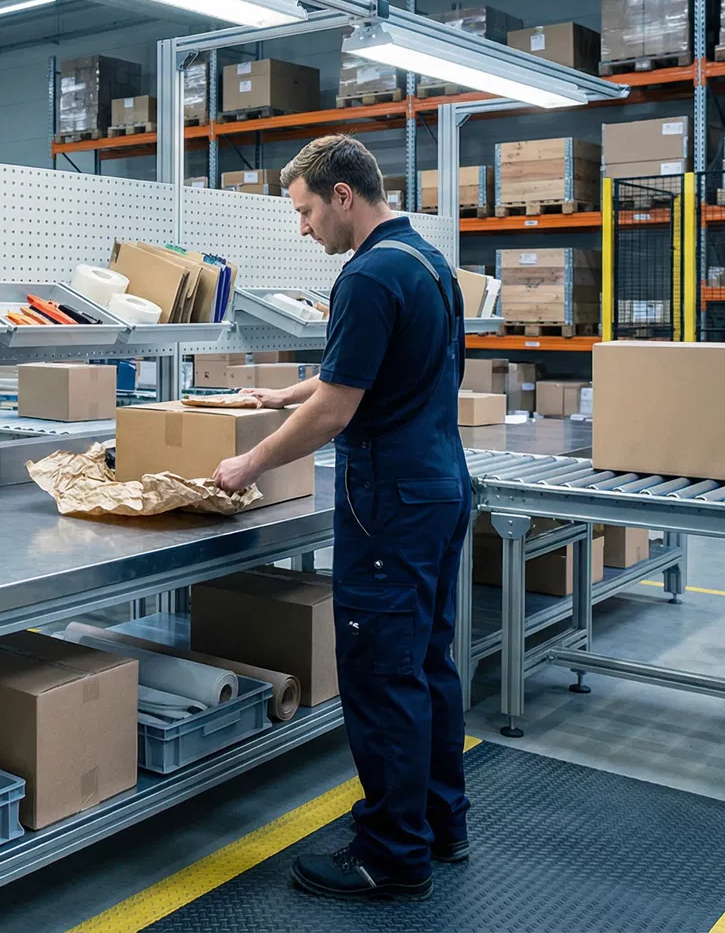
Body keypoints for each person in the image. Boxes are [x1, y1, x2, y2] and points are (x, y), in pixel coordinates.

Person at [212, 135, 471, 902]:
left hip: (389, 502)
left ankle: (391, 856)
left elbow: (338, 408)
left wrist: (247, 463)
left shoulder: (365, 276)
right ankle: (439, 824)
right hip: (439, 486)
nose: (303, 229)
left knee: (381, 673)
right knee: (426, 663)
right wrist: (278, 396)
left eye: (305, 211)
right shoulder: (427, 263)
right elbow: (366, 372)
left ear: (343, 197)